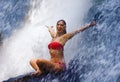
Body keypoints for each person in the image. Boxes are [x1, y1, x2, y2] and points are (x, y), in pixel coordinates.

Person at [30, 19, 96, 76]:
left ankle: (39, 71)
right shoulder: (54, 36)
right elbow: (51, 31)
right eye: (58, 25)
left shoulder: (65, 37)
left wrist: (89, 25)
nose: (59, 26)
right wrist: (49, 28)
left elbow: (77, 31)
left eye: (61, 25)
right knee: (32, 61)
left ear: (64, 27)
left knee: (39, 61)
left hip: (59, 65)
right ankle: (39, 70)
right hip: (51, 64)